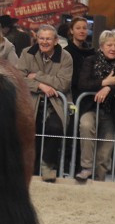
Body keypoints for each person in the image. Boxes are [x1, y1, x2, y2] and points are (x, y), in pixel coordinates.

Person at [16, 24, 73, 182]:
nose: (44, 42)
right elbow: (19, 77)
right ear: (37, 39)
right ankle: (29, 168)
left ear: (55, 41)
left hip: (56, 102)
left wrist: (37, 76)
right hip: (32, 100)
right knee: (29, 128)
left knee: (54, 127)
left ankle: (48, 166)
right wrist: (41, 86)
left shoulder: (66, 57)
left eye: (48, 39)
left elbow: (63, 84)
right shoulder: (27, 53)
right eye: (41, 38)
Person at [75, 30, 115, 182]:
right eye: (109, 45)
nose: (113, 48)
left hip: (112, 113)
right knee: (86, 125)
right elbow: (83, 84)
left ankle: (99, 181)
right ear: (101, 46)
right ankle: (86, 167)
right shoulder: (90, 61)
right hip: (90, 108)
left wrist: (108, 88)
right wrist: (104, 82)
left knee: (104, 154)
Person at [65, 16, 95, 102]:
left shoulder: (92, 53)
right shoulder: (66, 52)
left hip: (89, 95)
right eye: (78, 28)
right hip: (71, 95)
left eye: (84, 28)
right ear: (71, 31)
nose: (82, 31)